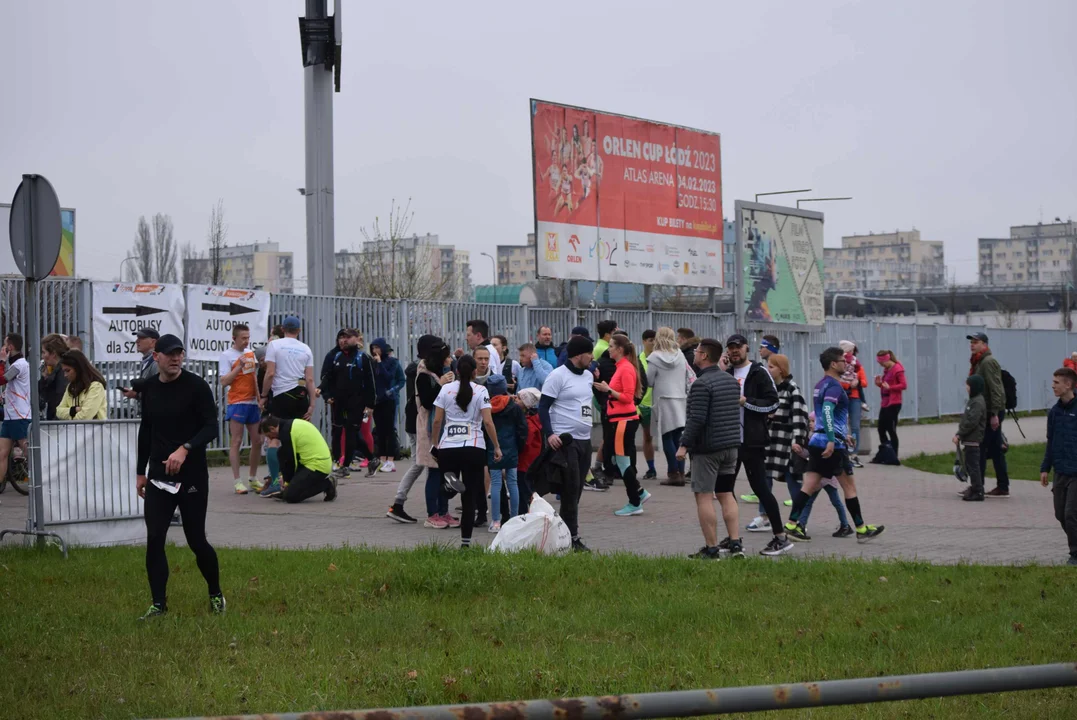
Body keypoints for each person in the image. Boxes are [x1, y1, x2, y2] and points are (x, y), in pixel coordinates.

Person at [134, 334, 223, 620]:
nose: (175, 359)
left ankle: (215, 593)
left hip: (192, 473)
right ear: (156, 357)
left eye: (179, 354)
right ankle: (158, 604)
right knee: (155, 536)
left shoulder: (197, 387)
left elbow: (212, 427)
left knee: (196, 539)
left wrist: (185, 449)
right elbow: (146, 430)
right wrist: (140, 472)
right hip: (159, 475)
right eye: (170, 354)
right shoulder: (150, 388)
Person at [784, 347, 885, 544]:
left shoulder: (820, 385)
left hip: (817, 441)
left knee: (809, 485)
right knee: (849, 486)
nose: (845, 364)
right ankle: (861, 529)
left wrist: (842, 434)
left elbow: (822, 417)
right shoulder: (835, 387)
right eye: (842, 361)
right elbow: (828, 413)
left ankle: (790, 526)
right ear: (833, 364)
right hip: (831, 446)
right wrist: (833, 439)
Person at [721, 334, 791, 556]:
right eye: (730, 348)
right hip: (731, 441)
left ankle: (780, 537)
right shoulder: (727, 373)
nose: (734, 351)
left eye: (738, 348)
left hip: (752, 442)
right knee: (725, 490)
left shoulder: (758, 372)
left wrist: (747, 402)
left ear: (746, 349)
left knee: (760, 488)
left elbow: (772, 403)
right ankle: (732, 537)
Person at [677, 338, 742, 559]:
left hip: (707, 450)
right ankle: (735, 544)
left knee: (704, 497)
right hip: (731, 447)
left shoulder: (701, 384)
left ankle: (712, 548)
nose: (694, 354)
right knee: (726, 494)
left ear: (704, 356)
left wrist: (684, 445)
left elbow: (697, 419)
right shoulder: (731, 382)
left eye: (696, 351)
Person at [431, 354, 502, 548]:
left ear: (455, 371)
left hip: (448, 447)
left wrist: (434, 443)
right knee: (469, 496)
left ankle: (449, 484)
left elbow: (437, 420)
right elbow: (487, 421)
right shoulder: (481, 390)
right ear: (474, 372)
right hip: (474, 447)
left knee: (444, 486)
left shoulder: (445, 389)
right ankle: (466, 542)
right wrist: (496, 446)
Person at [536, 334, 596, 552]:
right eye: (589, 353)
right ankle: (572, 538)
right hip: (565, 441)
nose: (592, 357)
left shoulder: (588, 376)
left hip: (585, 441)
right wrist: (550, 434)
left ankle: (563, 533)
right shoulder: (557, 376)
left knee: (577, 490)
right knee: (569, 490)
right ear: (579, 355)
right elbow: (543, 407)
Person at [595, 334, 651, 516]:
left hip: (624, 421)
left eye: (611, 346)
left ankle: (635, 502)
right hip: (619, 420)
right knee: (619, 460)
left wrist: (608, 390)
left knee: (622, 461)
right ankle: (640, 493)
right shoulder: (621, 367)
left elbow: (628, 397)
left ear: (620, 349)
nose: (608, 349)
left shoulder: (626, 368)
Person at [387, 335, 437, 524]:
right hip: (417, 421)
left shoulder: (419, 367)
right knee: (420, 463)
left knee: (423, 463)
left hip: (415, 419)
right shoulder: (421, 369)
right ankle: (398, 503)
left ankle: (431, 506)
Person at [320, 329, 378, 478]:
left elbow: (371, 383)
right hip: (339, 402)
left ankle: (345, 466)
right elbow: (328, 377)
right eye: (341, 337)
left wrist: (370, 405)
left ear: (356, 339)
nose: (343, 340)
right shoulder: (337, 356)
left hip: (357, 402)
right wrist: (323, 392)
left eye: (347, 337)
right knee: (351, 433)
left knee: (352, 432)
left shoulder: (362, 358)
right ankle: (372, 459)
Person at [415, 339, 458, 529]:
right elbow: (426, 402)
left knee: (445, 472)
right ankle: (432, 514)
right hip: (430, 429)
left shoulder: (444, 373)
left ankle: (444, 511)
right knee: (434, 471)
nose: (450, 359)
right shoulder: (424, 376)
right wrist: (440, 383)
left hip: (445, 428)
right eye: (447, 356)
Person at [218, 324, 262, 494]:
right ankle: (237, 481)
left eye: (248, 338)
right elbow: (224, 381)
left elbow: (253, 378)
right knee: (236, 441)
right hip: (237, 402)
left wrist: (259, 397)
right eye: (243, 338)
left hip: (252, 403)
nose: (246, 341)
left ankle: (253, 478)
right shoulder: (227, 356)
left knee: (257, 441)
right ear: (234, 338)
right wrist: (238, 367)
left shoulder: (250, 354)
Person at [1040, 367, 1077, 566]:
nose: (1052, 386)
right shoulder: (1054, 412)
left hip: (1076, 473)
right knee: (1060, 514)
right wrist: (1045, 467)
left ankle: (1075, 554)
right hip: (1060, 471)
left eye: (1056, 382)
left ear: (1068, 385)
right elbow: (1050, 441)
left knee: (1071, 514)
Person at [646, 327, 691, 486]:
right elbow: (687, 376)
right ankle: (681, 472)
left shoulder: (654, 357)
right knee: (679, 438)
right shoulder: (681, 355)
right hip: (680, 398)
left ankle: (673, 474)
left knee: (666, 437)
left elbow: (649, 381)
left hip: (663, 400)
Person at [968, 332, 1010, 498]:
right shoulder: (979, 361)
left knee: (981, 448)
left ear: (984, 345)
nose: (972, 345)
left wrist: (994, 414)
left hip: (991, 412)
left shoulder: (988, 362)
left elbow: (996, 389)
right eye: (971, 342)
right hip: (987, 410)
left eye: (976, 342)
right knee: (995, 449)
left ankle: (978, 487)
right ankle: (1001, 485)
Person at [259, 415, 337, 503]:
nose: (270, 438)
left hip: (317, 466)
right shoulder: (291, 424)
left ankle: (327, 484)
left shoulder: (287, 432)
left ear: (272, 428)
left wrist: (287, 483)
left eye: (269, 436)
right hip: (315, 462)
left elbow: (291, 461)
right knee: (281, 452)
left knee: (291, 497)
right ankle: (290, 490)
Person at [484, 374, 528, 532]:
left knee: (496, 485)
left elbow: (484, 428)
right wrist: (519, 446)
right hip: (512, 448)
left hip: (493, 448)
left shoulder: (487, 407)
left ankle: (495, 521)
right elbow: (522, 428)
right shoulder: (514, 407)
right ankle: (514, 519)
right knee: (513, 483)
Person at [764, 354, 808, 509]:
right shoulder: (768, 388)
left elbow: (799, 417)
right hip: (769, 443)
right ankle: (764, 516)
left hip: (787, 444)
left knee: (793, 481)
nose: (767, 370)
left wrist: (798, 441)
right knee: (764, 480)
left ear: (781, 369)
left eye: (771, 367)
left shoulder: (792, 389)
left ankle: (798, 518)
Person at [261, 316, 316, 422]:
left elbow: (270, 374)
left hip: (281, 395)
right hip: (301, 395)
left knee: (279, 433)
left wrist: (264, 395)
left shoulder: (274, 345)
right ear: (299, 330)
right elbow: (309, 379)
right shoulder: (306, 349)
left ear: (282, 329)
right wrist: (312, 405)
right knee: (299, 434)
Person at [0, 333, 32, 492]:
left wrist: (1, 361)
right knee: (2, 453)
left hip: (20, 415)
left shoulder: (19, 365)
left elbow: (2, 379)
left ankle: (40, 479)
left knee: (28, 452)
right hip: (10, 415)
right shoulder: (16, 365)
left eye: (5, 345)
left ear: (10, 347)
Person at [370, 338, 405, 473]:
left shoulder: (393, 362)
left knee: (389, 430)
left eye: (377, 348)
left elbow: (389, 377)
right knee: (380, 431)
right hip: (377, 400)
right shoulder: (372, 363)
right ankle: (382, 459)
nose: (375, 351)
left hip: (389, 400)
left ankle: (391, 460)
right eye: (373, 348)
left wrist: (392, 391)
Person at [955, 375, 987, 502]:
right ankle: (974, 488)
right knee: (970, 465)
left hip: (973, 439)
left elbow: (972, 421)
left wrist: (959, 434)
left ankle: (978, 491)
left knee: (973, 466)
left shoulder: (977, 402)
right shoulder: (973, 400)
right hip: (969, 439)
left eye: (968, 385)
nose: (966, 388)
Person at [838, 340, 869, 467]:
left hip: (855, 397)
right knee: (841, 425)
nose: (850, 353)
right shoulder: (838, 364)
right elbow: (835, 380)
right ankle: (842, 452)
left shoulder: (857, 365)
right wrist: (846, 384)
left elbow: (864, 382)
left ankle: (854, 454)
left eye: (851, 351)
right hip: (841, 396)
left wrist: (858, 382)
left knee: (855, 426)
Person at [516, 387, 544, 516]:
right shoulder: (534, 420)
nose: (515, 399)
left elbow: (525, 443)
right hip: (529, 461)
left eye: (518, 398)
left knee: (524, 490)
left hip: (524, 462)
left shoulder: (527, 423)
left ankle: (525, 514)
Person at [56, 350, 108, 420]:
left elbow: (85, 417)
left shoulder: (96, 387)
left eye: (68, 370)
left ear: (78, 368)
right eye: (64, 371)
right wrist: (74, 410)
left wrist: (70, 417)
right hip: (75, 430)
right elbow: (58, 411)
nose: (65, 375)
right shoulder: (70, 387)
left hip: (94, 430)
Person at [874, 350, 907, 457]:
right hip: (885, 402)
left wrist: (891, 387)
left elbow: (903, 385)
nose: (881, 365)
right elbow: (885, 386)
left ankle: (894, 454)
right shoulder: (887, 370)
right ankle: (886, 450)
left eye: (881, 363)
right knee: (881, 428)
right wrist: (880, 384)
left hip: (894, 403)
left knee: (891, 429)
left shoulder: (897, 369)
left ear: (887, 359)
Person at [39, 333, 71, 420]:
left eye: (44, 352)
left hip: (58, 423)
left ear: (53, 354)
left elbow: (59, 400)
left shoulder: (62, 373)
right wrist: (44, 378)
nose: (42, 356)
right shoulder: (54, 372)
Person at [639, 329, 657, 480]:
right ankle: (651, 468)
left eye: (655, 340)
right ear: (644, 341)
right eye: (650, 340)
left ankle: (676, 468)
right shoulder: (639, 359)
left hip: (658, 403)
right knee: (647, 437)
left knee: (669, 437)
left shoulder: (660, 359)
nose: (653, 343)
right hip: (643, 404)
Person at [123, 328, 159, 399]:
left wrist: (136, 395)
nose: (137, 341)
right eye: (137, 338)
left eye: (141, 338)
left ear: (153, 342)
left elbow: (159, 391)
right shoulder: (148, 361)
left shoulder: (156, 363)